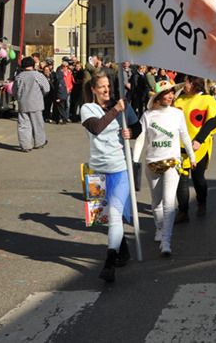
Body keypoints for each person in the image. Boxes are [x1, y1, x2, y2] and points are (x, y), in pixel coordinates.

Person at [80, 73, 138, 282]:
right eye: (102, 87)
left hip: (120, 168)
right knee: (104, 217)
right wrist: (116, 110)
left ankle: (109, 262)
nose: (106, 90)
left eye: (108, 86)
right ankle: (123, 251)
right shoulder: (87, 108)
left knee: (114, 214)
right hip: (97, 171)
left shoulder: (121, 105)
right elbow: (96, 128)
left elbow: (137, 126)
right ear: (94, 89)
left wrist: (131, 132)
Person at [133, 80, 196, 257]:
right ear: (157, 97)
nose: (170, 96)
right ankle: (159, 228)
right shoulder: (148, 115)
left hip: (172, 162)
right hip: (152, 163)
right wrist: (135, 161)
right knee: (156, 202)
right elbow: (140, 139)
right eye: (166, 93)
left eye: (171, 93)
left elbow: (185, 135)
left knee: (169, 203)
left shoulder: (178, 114)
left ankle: (166, 241)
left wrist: (191, 156)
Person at [173, 75, 216, 222]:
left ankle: (202, 203)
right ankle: (183, 211)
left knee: (198, 178)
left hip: (199, 146)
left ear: (193, 83)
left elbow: (212, 121)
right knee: (181, 180)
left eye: (185, 82)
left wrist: (199, 140)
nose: (183, 85)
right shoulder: (179, 99)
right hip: (180, 146)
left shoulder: (207, 100)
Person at [12, 57, 50, 152]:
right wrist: (41, 94)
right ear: (33, 65)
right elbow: (46, 88)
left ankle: (25, 146)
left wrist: (18, 98)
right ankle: (39, 142)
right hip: (36, 103)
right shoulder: (37, 75)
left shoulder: (19, 76)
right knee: (38, 124)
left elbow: (14, 91)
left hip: (23, 104)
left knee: (23, 125)